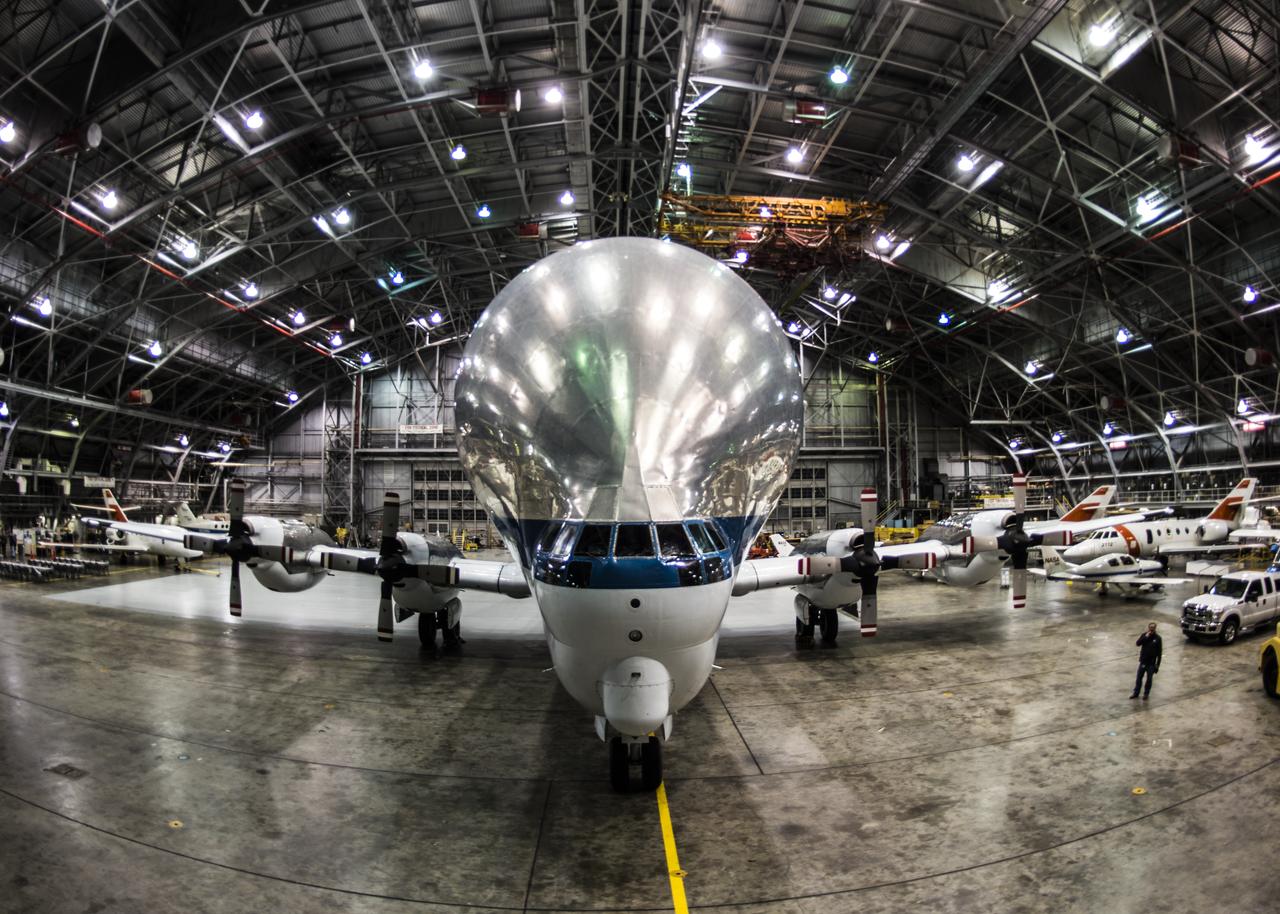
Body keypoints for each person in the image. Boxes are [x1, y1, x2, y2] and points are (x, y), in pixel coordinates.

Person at [1131, 622, 1162, 700]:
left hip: (1151, 663)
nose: (1151, 629)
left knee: (1149, 679)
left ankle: (1146, 694)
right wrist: (1145, 637)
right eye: (1150, 627)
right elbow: (1138, 643)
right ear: (1148, 628)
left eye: (1153, 628)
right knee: (1139, 678)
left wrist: (1157, 665)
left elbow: (1159, 653)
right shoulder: (1144, 635)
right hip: (1143, 662)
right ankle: (1136, 693)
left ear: (1155, 629)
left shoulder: (1158, 638)